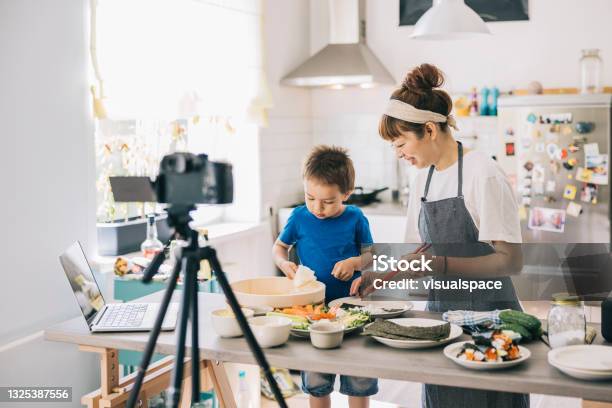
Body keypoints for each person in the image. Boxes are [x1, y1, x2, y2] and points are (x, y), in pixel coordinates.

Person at [351, 64, 528, 408]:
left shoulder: (483, 173)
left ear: (429, 130)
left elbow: (512, 261)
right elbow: (417, 254)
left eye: (400, 142)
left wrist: (439, 263)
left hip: (489, 318)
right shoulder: (423, 180)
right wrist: (381, 276)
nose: (398, 153)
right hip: (441, 320)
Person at [272, 145, 377, 408]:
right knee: (316, 381)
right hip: (313, 311)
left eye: (328, 201)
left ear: (347, 194)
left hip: (353, 308)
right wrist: (284, 264)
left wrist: (355, 263)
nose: (317, 208)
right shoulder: (299, 217)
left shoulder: (355, 217)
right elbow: (279, 248)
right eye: (310, 198)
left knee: (359, 377)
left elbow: (372, 255)